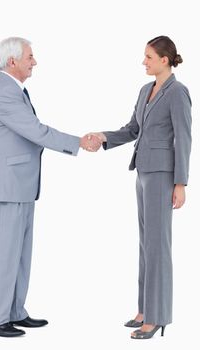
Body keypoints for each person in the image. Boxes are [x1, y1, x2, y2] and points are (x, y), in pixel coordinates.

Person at [0, 36, 100, 337]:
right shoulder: (4, 92)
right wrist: (77, 143)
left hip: (21, 185)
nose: (34, 62)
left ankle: (15, 312)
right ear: (12, 61)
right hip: (7, 187)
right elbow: (36, 131)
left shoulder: (15, 90)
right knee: (3, 256)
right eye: (30, 57)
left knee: (20, 255)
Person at [89, 36, 192, 339]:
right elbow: (133, 129)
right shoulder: (145, 90)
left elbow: (184, 138)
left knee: (159, 246)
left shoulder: (178, 92)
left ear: (164, 60)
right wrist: (103, 137)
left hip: (163, 175)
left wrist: (181, 183)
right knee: (147, 244)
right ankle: (145, 309)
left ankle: (158, 317)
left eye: (148, 57)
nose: (143, 62)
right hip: (143, 172)